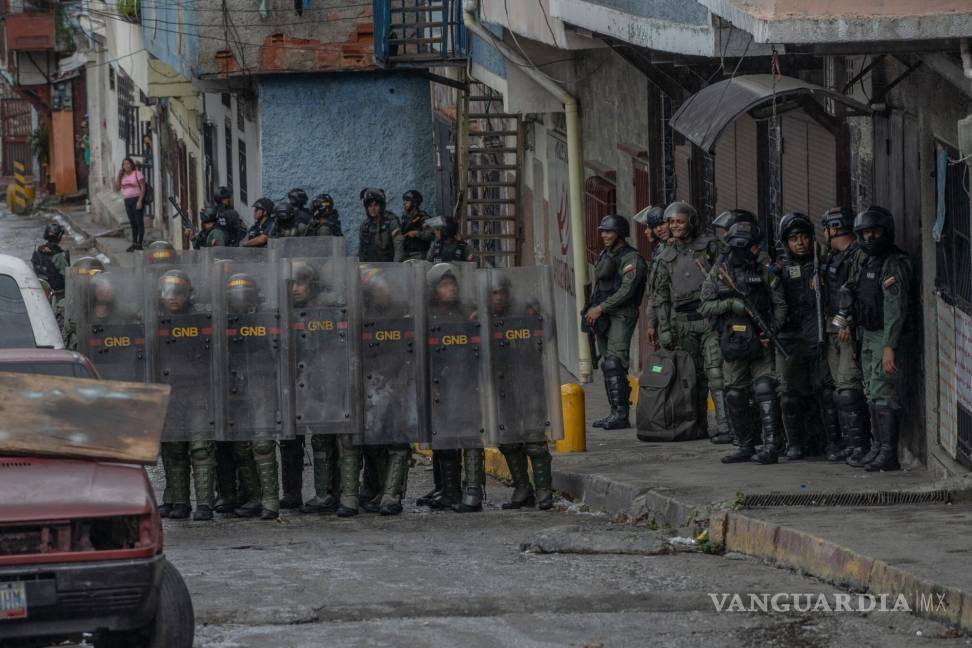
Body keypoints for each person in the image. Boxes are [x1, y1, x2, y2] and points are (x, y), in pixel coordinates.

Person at [699, 221, 787, 464]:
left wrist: (771, 331)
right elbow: (705, 305)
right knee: (735, 394)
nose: (752, 251)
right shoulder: (719, 271)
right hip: (732, 341)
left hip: (760, 340)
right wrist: (730, 304)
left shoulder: (765, 269)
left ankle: (771, 445)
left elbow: (779, 304)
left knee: (764, 389)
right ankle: (745, 444)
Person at [833, 206, 912, 472]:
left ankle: (888, 453)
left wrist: (889, 345)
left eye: (875, 232)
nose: (870, 238)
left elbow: (895, 309)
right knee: (872, 391)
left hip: (884, 336)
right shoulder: (866, 261)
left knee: (883, 391)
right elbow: (853, 291)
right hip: (867, 333)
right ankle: (878, 447)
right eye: (865, 233)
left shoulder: (893, 263)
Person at [652, 202, 730, 442]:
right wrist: (663, 328)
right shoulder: (665, 257)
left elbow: (727, 275)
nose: (675, 226)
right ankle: (696, 425)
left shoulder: (710, 246)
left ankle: (725, 425)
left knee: (716, 373)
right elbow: (660, 296)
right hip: (682, 325)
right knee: (690, 377)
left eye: (680, 221)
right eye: (671, 222)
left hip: (709, 320)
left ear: (691, 222)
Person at [155, 270, 221, 521]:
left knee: (201, 447)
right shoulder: (153, 319)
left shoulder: (201, 318)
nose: (173, 298)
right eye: (167, 293)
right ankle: (178, 501)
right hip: (169, 391)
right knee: (172, 448)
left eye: (178, 293)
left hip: (198, 391)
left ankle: (204, 503)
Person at [774, 212, 839, 460]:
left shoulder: (824, 263)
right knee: (789, 394)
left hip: (819, 336)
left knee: (825, 391)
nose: (800, 243)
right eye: (794, 239)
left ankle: (832, 443)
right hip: (790, 339)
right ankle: (795, 444)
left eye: (804, 237)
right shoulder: (779, 269)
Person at [491, 274, 554, 511]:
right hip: (502, 384)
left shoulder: (524, 310)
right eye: (492, 294)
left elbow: (547, 334)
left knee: (535, 438)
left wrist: (538, 318)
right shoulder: (484, 317)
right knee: (508, 440)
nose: (497, 298)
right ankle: (522, 487)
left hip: (529, 381)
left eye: (500, 293)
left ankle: (544, 490)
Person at [425, 263, 484, 512]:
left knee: (470, 434)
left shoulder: (468, 312)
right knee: (445, 436)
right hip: (440, 384)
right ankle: (449, 490)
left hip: (467, 381)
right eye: (444, 285)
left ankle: (473, 489)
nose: (450, 289)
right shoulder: (428, 315)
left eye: (453, 284)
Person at [224, 272, 281, 519]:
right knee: (241, 445)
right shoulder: (225, 320)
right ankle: (254, 496)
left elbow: (278, 350)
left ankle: (270, 501)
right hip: (235, 382)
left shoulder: (266, 318)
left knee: (263, 442)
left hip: (262, 383)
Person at [583, 214, 648, 430]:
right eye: (602, 231)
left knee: (615, 363)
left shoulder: (632, 258)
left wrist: (600, 308)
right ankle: (613, 411)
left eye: (608, 231)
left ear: (620, 234)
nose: (604, 235)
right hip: (602, 314)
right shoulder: (605, 254)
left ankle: (621, 414)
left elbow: (627, 290)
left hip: (620, 314)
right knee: (606, 364)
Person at [289, 262, 342, 515]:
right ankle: (292, 493)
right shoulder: (287, 309)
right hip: (297, 378)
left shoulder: (325, 310)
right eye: (292, 284)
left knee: (323, 436)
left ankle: (326, 493)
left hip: (323, 377)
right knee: (290, 437)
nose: (296, 289)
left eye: (301, 283)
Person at [820, 206, 868, 462]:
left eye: (826, 228)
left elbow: (855, 294)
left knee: (849, 388)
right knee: (839, 389)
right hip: (832, 328)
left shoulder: (857, 256)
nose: (824, 233)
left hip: (847, 329)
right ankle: (849, 444)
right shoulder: (833, 257)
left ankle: (859, 446)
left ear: (834, 228)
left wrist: (846, 322)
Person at [632, 206, 670, 349]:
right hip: (664, 318)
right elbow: (655, 292)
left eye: (650, 227)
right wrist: (651, 324)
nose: (647, 231)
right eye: (653, 226)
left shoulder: (676, 249)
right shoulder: (659, 251)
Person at [358, 189, 398, 262]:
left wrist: (396, 267)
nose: (372, 209)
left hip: (388, 268)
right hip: (370, 269)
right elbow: (362, 250)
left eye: (376, 205)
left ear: (381, 206)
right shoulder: (365, 225)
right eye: (370, 206)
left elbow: (398, 248)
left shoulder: (391, 223)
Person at [31, 223, 70, 297]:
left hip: (40, 290)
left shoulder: (38, 251)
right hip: (57, 293)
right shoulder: (59, 255)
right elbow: (67, 276)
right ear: (59, 237)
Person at [116, 157, 146, 252]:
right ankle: (134, 243)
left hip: (136, 199)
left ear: (132, 165)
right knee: (132, 223)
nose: (126, 166)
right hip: (127, 201)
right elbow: (117, 188)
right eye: (124, 164)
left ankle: (139, 243)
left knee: (139, 222)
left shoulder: (137, 174)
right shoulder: (123, 176)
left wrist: (140, 201)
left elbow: (143, 188)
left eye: (128, 163)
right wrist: (118, 176)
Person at [394, 190, 434, 261]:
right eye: (404, 200)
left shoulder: (423, 217)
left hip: (419, 255)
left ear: (414, 203)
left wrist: (417, 233)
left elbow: (432, 234)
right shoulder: (405, 218)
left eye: (407, 201)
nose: (404, 203)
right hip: (405, 255)